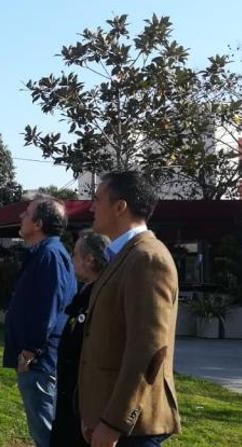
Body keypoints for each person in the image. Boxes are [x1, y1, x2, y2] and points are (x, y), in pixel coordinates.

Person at [79, 171, 181, 447]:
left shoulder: (147, 258)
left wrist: (114, 423)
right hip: (109, 420)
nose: (91, 207)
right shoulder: (123, 256)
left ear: (120, 207)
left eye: (97, 199)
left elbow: (148, 351)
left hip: (132, 430)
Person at [3, 195, 77, 447]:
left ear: (38, 224)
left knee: (46, 432)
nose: (21, 217)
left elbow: (49, 307)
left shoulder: (50, 256)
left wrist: (30, 350)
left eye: (27, 213)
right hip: (36, 359)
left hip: (40, 362)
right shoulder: (43, 253)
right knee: (42, 428)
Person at [50, 230, 110, 447]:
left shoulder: (102, 298)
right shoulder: (85, 295)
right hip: (69, 401)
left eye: (75, 254)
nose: (71, 259)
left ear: (90, 260)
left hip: (85, 410)